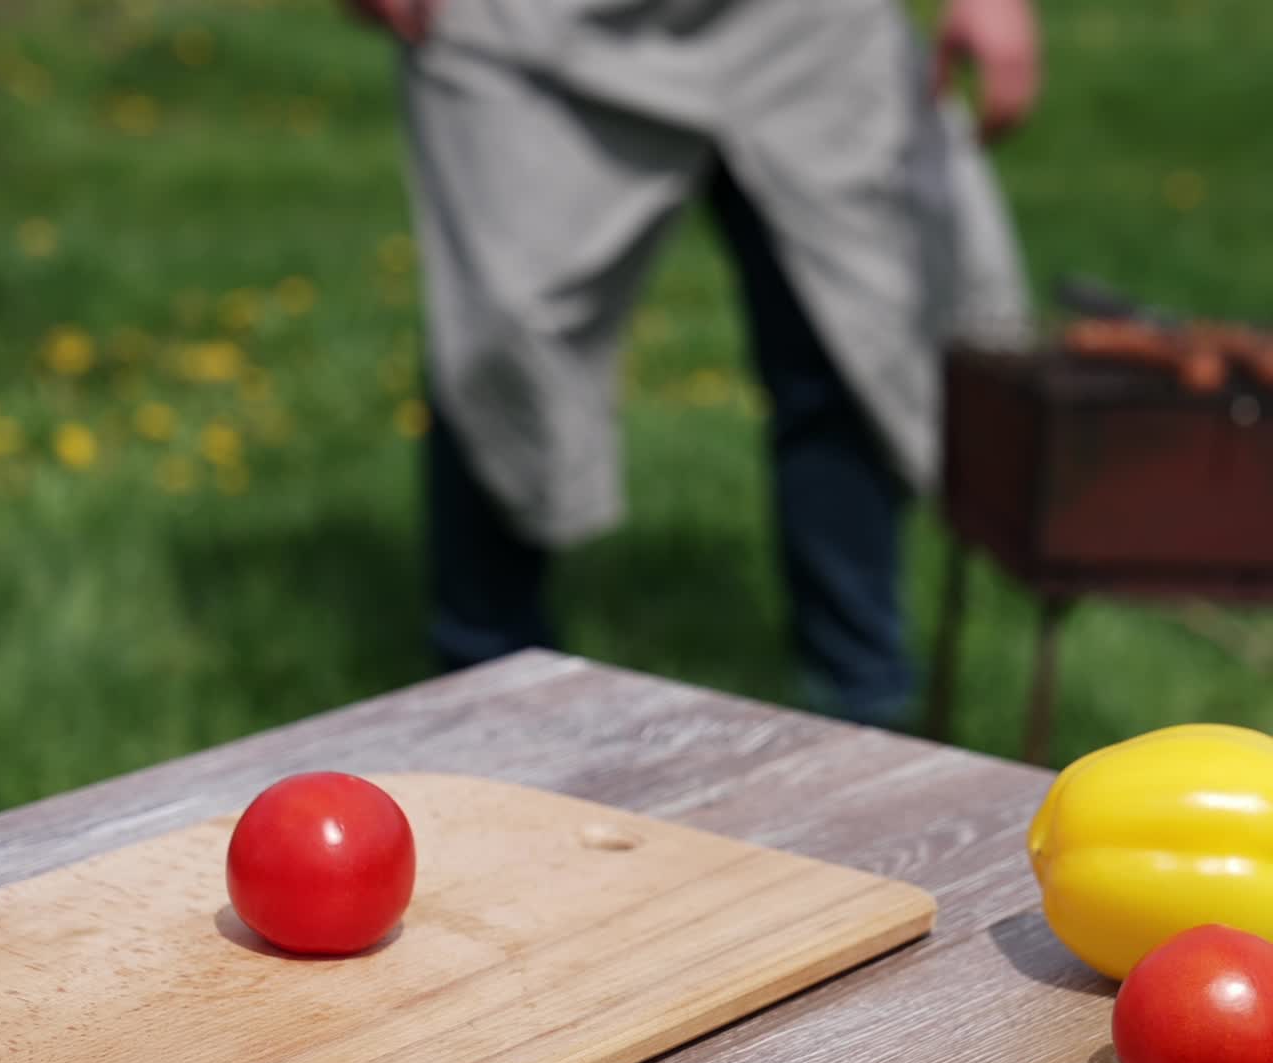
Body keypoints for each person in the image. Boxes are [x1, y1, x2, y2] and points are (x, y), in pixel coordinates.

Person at [350, 0, 1040, 727]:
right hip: (527, 24)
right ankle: (484, 705)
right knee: (500, 336)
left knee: (855, 334)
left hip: (807, 27)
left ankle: (867, 713)